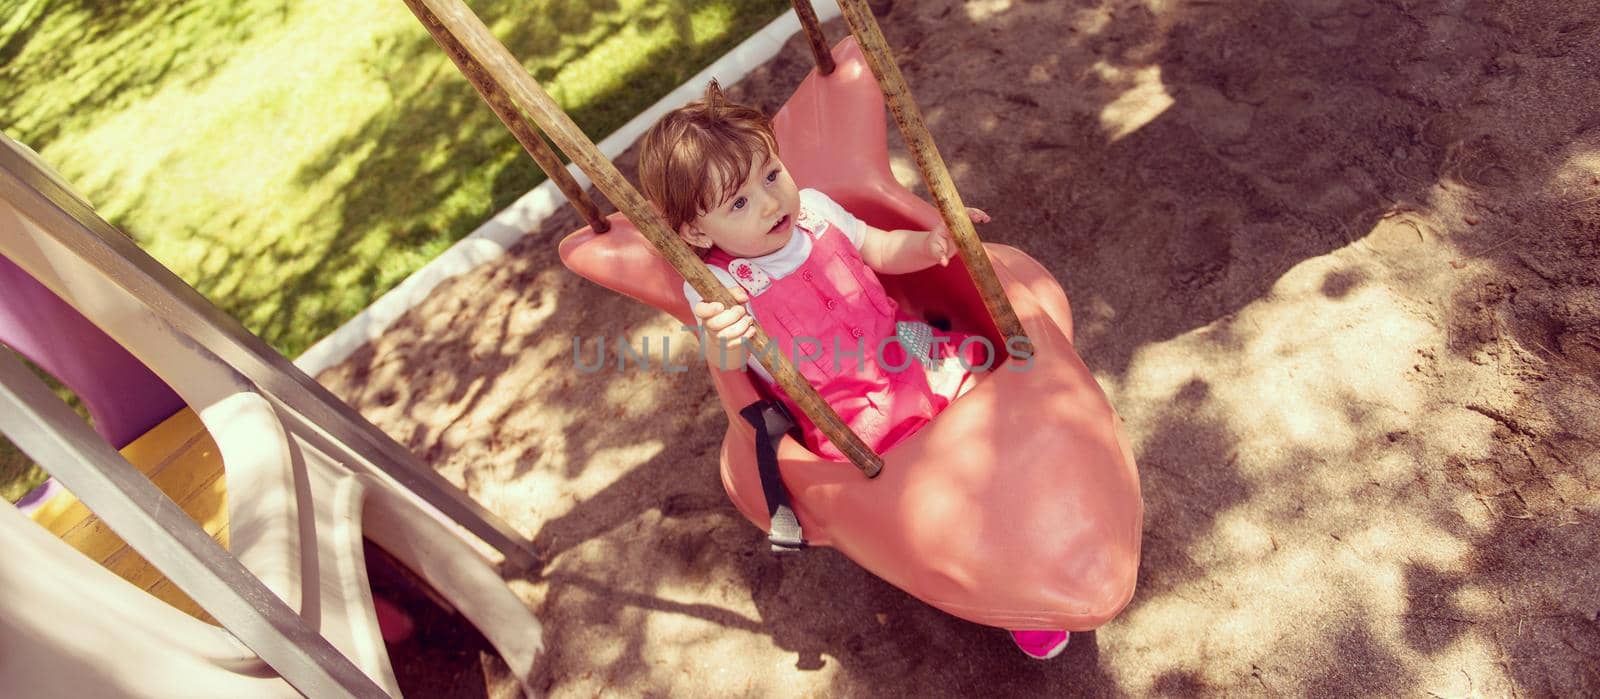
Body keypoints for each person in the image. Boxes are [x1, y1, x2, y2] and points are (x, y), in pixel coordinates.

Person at [636, 81, 1068, 660]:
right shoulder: (717, 288)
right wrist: (722, 334)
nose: (770, 202)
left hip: (906, 347)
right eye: (738, 203)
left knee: (999, 409)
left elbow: (880, 248)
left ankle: (1039, 506)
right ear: (695, 232)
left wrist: (933, 243)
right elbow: (732, 368)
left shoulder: (813, 210)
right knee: (930, 493)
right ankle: (1013, 588)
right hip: (845, 409)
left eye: (770, 174)